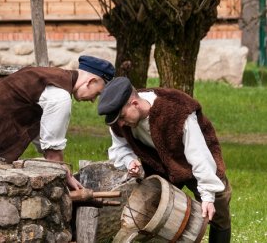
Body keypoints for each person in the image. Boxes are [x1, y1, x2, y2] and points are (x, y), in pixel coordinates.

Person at [98, 77, 232, 243]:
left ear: (134, 103)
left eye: (123, 117)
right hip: (160, 166)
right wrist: (129, 160)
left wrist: (208, 197)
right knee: (153, 215)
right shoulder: (119, 122)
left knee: (218, 212)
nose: (121, 123)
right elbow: (119, 147)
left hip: (197, 161)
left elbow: (199, 155)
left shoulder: (177, 110)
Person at [0, 55, 115, 190]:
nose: (93, 100)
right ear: (92, 81)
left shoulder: (52, 78)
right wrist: (66, 180)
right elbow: (52, 151)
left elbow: (41, 133)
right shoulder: (59, 96)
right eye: (97, 93)